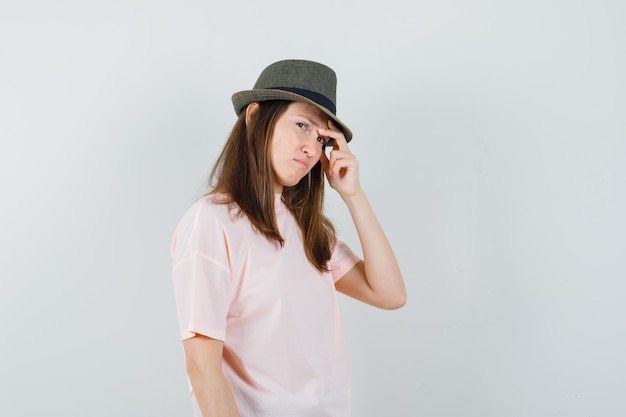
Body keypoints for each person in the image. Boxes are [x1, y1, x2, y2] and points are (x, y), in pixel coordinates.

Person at [171, 59, 406, 417]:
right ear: (254, 117)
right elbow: (203, 367)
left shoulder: (310, 230)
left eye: (321, 138)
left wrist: (354, 196)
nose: (312, 149)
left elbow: (390, 295)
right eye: (302, 125)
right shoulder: (213, 221)